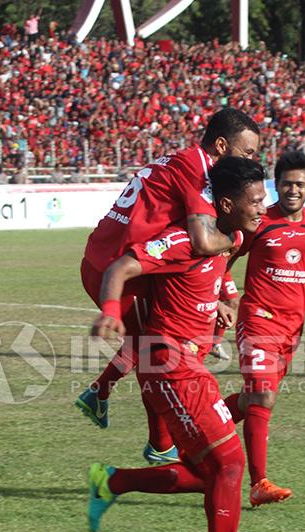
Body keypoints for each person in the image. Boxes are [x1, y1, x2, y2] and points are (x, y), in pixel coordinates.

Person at [86, 156, 271, 532]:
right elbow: (120, 268)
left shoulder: (234, 234)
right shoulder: (183, 241)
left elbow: (223, 261)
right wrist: (112, 311)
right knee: (229, 464)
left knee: (210, 473)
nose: (264, 206)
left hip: (190, 364)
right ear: (226, 203)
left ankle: (112, 481)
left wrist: (223, 294)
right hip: (167, 361)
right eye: (257, 200)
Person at [76, 108, 260, 468]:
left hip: (108, 258)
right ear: (222, 145)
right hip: (122, 268)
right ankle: (161, 445)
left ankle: (103, 396)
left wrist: (222, 286)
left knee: (155, 345)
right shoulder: (200, 169)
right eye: (247, 152)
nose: (251, 160)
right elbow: (204, 241)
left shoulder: (184, 159)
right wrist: (238, 237)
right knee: (162, 349)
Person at [221, 151, 305, 506]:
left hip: (292, 330)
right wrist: (223, 297)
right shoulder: (258, 222)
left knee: (250, 399)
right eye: (286, 183)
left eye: (299, 184)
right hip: (257, 320)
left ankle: (196, 431)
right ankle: (259, 483)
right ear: (276, 185)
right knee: (263, 397)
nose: (292, 190)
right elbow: (223, 257)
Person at [208, 271, 239, 361]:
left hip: (222, 269)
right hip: (203, 266)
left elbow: (233, 257)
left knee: (232, 301)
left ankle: (215, 344)